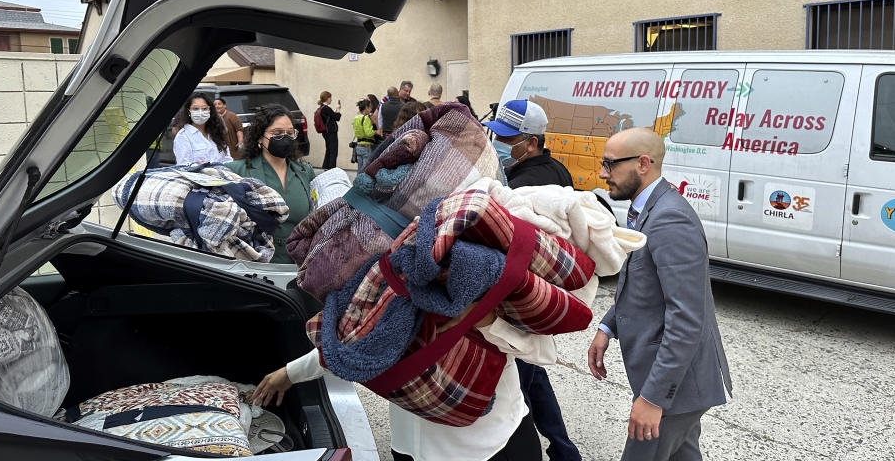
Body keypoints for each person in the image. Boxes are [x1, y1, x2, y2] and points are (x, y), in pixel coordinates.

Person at [587, 127, 732, 461]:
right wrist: (607, 327)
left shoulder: (669, 219)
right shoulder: (648, 207)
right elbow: (640, 280)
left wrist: (653, 399)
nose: (602, 173)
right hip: (679, 390)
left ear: (642, 163)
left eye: (610, 164)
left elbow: (686, 318)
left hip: (674, 391)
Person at [253, 305, 550, 461]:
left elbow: (540, 351)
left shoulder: (491, 276)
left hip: (495, 445)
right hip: (412, 446)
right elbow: (357, 344)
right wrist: (290, 372)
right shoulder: (397, 278)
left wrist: (487, 322)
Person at [485, 99, 581, 461]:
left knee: (518, 386)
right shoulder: (557, 169)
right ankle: (564, 450)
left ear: (531, 142)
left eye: (508, 140)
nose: (499, 144)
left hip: (523, 301)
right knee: (534, 376)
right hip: (542, 298)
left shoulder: (527, 184)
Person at [226, 104, 315, 263]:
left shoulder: (305, 172)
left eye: (289, 133)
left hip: (298, 265)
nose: (285, 138)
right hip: (256, 266)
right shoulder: (236, 171)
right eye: (277, 133)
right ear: (260, 137)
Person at [172, 92, 232, 165]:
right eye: (195, 108)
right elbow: (184, 166)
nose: (200, 112)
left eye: (204, 108)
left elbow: (227, 160)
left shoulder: (216, 132)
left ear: (209, 110)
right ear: (188, 111)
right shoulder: (183, 136)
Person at [316, 90, 342, 169]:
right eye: (330, 98)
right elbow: (337, 117)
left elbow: (331, 116)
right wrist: (338, 109)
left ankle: (326, 167)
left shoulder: (321, 108)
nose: (331, 100)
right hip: (331, 132)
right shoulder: (326, 108)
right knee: (333, 151)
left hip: (325, 132)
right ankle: (332, 169)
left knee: (329, 150)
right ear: (327, 98)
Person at [352, 98, 376, 173]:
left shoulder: (356, 118)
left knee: (359, 169)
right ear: (366, 108)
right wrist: (375, 131)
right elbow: (368, 133)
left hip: (358, 146)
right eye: (370, 107)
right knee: (366, 170)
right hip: (366, 146)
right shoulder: (365, 118)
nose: (371, 109)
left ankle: (358, 183)